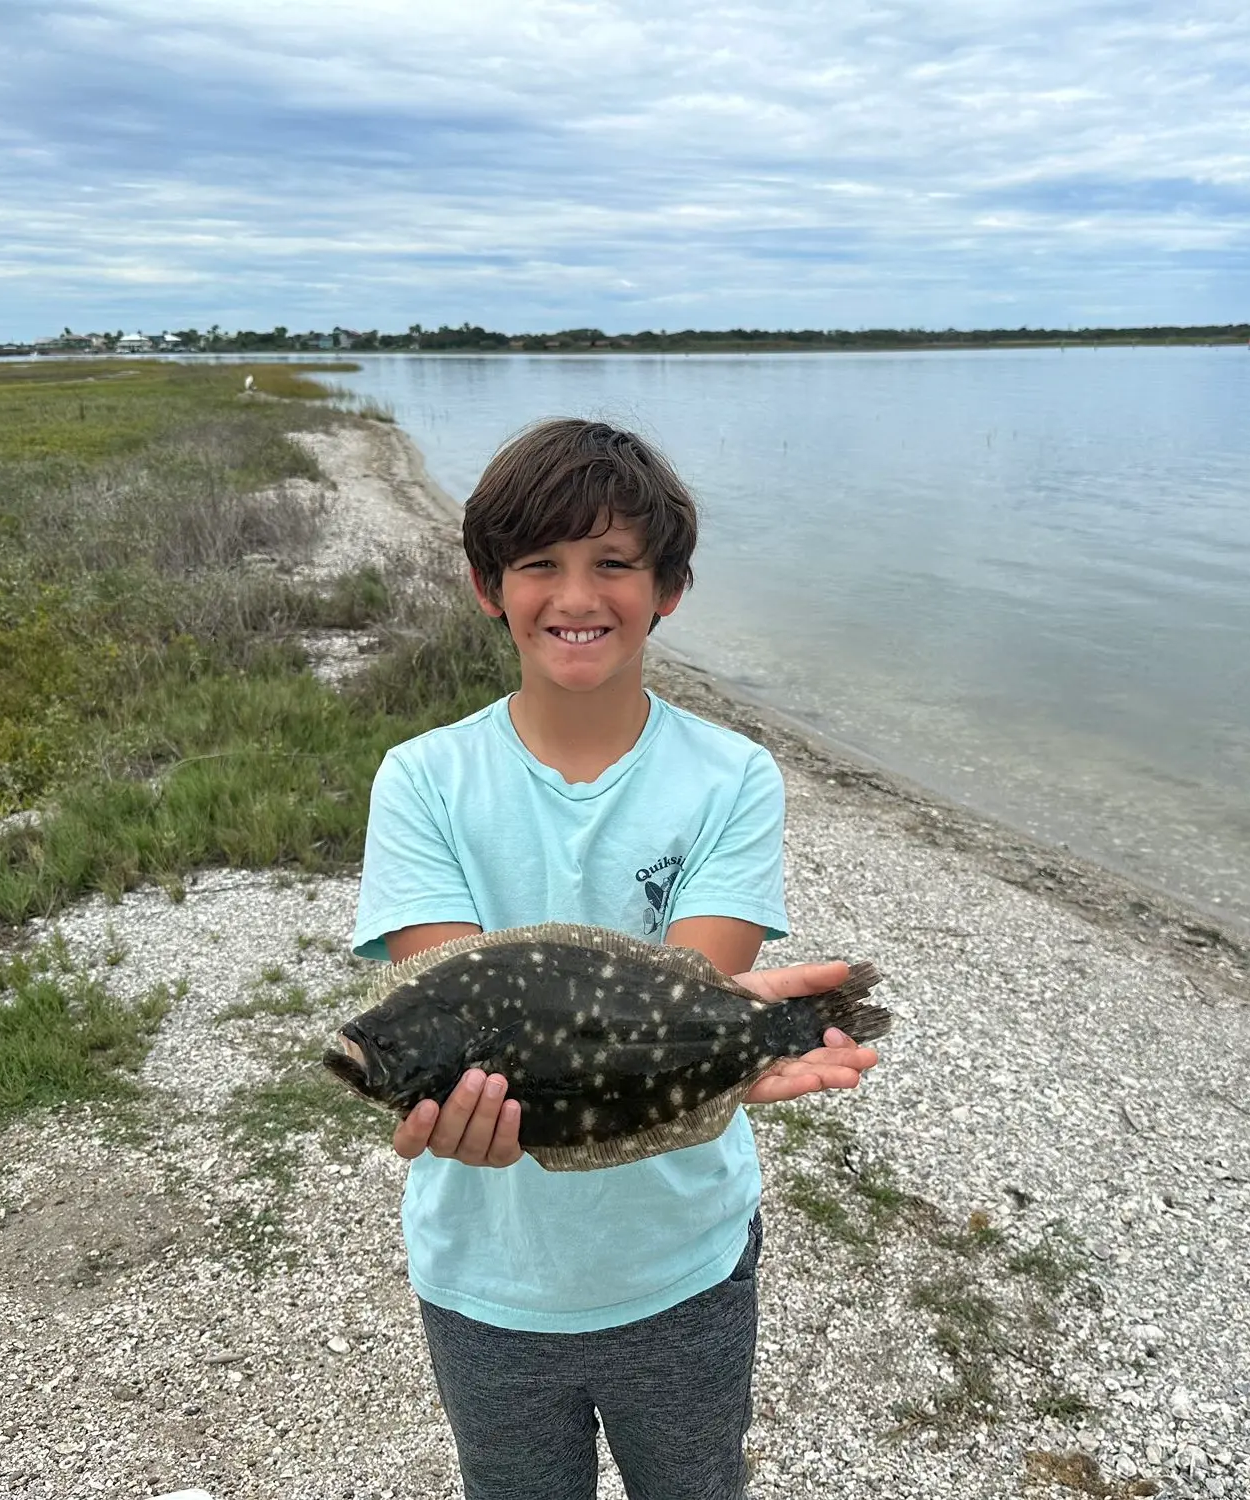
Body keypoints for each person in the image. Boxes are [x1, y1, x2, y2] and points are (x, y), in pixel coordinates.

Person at [351, 418, 881, 1500]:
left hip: (682, 1262)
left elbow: (692, 988)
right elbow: (456, 994)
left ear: (668, 588)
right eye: (538, 564)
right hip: (485, 1278)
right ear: (486, 586)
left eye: (614, 565)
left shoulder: (733, 776)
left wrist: (748, 1032)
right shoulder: (421, 779)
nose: (576, 597)